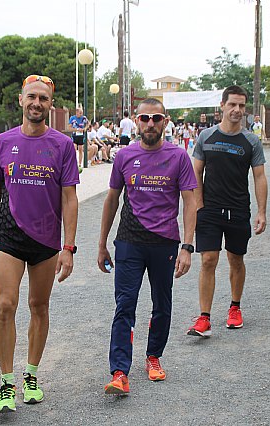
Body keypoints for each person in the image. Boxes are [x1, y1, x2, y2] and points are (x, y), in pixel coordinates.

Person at [0, 74, 79, 413]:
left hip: (46, 238)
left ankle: (31, 374)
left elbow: (70, 198)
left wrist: (68, 247)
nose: (37, 103)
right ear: (21, 100)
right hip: (7, 234)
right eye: (31, 97)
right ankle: (6, 382)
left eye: (43, 99)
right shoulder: (3, 143)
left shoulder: (62, 145)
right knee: (6, 305)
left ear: (51, 104)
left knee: (39, 306)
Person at [98, 98, 197, 395]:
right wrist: (102, 244)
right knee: (124, 305)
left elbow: (191, 202)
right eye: (145, 118)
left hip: (164, 242)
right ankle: (119, 372)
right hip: (129, 240)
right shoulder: (125, 156)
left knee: (161, 305)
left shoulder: (179, 157)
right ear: (136, 121)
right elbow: (112, 199)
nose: (150, 123)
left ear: (165, 121)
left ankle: (153, 357)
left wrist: (187, 246)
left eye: (156, 118)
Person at [187, 85, 268, 337]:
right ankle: (204, 317)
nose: (237, 110)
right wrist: (199, 205)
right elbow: (195, 173)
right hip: (209, 209)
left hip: (238, 210)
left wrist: (262, 211)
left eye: (241, 106)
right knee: (208, 260)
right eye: (232, 104)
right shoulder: (206, 137)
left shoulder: (251, 141)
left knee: (236, 259)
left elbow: (260, 177)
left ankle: (235, 307)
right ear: (222, 105)